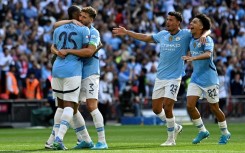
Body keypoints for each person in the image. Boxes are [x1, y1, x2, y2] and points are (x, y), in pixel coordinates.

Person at [113, 11, 210, 146]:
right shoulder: (162, 35)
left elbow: (205, 30)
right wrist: (127, 32)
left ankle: (171, 139)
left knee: (168, 105)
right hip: (160, 77)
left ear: (178, 23)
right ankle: (175, 126)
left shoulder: (186, 34)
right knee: (156, 109)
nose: (168, 22)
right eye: (167, 19)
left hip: (175, 77)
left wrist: (205, 34)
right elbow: (146, 37)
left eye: (171, 20)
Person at [49, 6, 108, 150]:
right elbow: (55, 40)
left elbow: (89, 51)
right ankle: (85, 139)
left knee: (91, 106)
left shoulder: (93, 32)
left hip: (90, 72)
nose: (81, 19)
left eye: (84, 17)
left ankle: (102, 141)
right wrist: (57, 51)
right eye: (80, 16)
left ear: (91, 19)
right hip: (76, 72)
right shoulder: (77, 28)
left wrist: (67, 50)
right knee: (73, 108)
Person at [182, 14, 231, 145]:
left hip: (210, 79)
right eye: (191, 22)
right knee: (190, 106)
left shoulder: (207, 40)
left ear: (201, 26)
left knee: (214, 108)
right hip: (196, 78)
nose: (191, 23)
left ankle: (225, 133)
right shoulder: (191, 39)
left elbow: (208, 54)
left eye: (194, 22)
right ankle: (202, 131)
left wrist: (193, 58)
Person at [51, 5, 91, 150]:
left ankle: (52, 140)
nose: (82, 16)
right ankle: (58, 139)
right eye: (80, 14)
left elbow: (53, 47)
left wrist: (60, 51)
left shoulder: (58, 29)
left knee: (60, 106)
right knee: (70, 106)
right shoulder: (84, 29)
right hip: (72, 70)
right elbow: (87, 50)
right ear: (76, 14)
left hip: (56, 69)